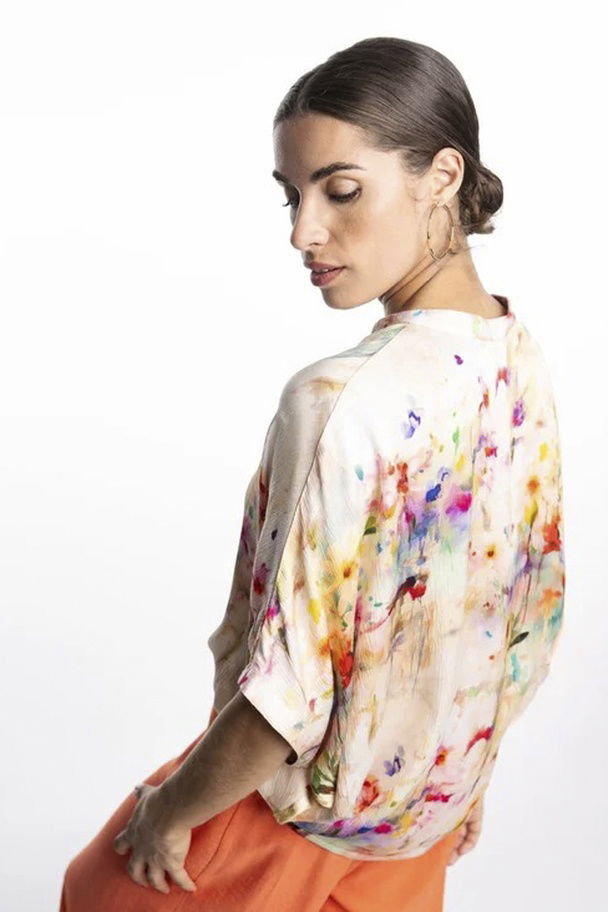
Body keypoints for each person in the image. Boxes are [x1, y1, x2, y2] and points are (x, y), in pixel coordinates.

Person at [59, 36, 565, 911]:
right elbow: (524, 617)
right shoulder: (515, 359)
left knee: (91, 889)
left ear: (443, 175)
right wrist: (462, 775)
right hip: (416, 831)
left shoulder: (339, 400)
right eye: (292, 195)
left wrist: (171, 813)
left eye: (341, 190)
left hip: (292, 821)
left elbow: (284, 695)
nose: (303, 231)